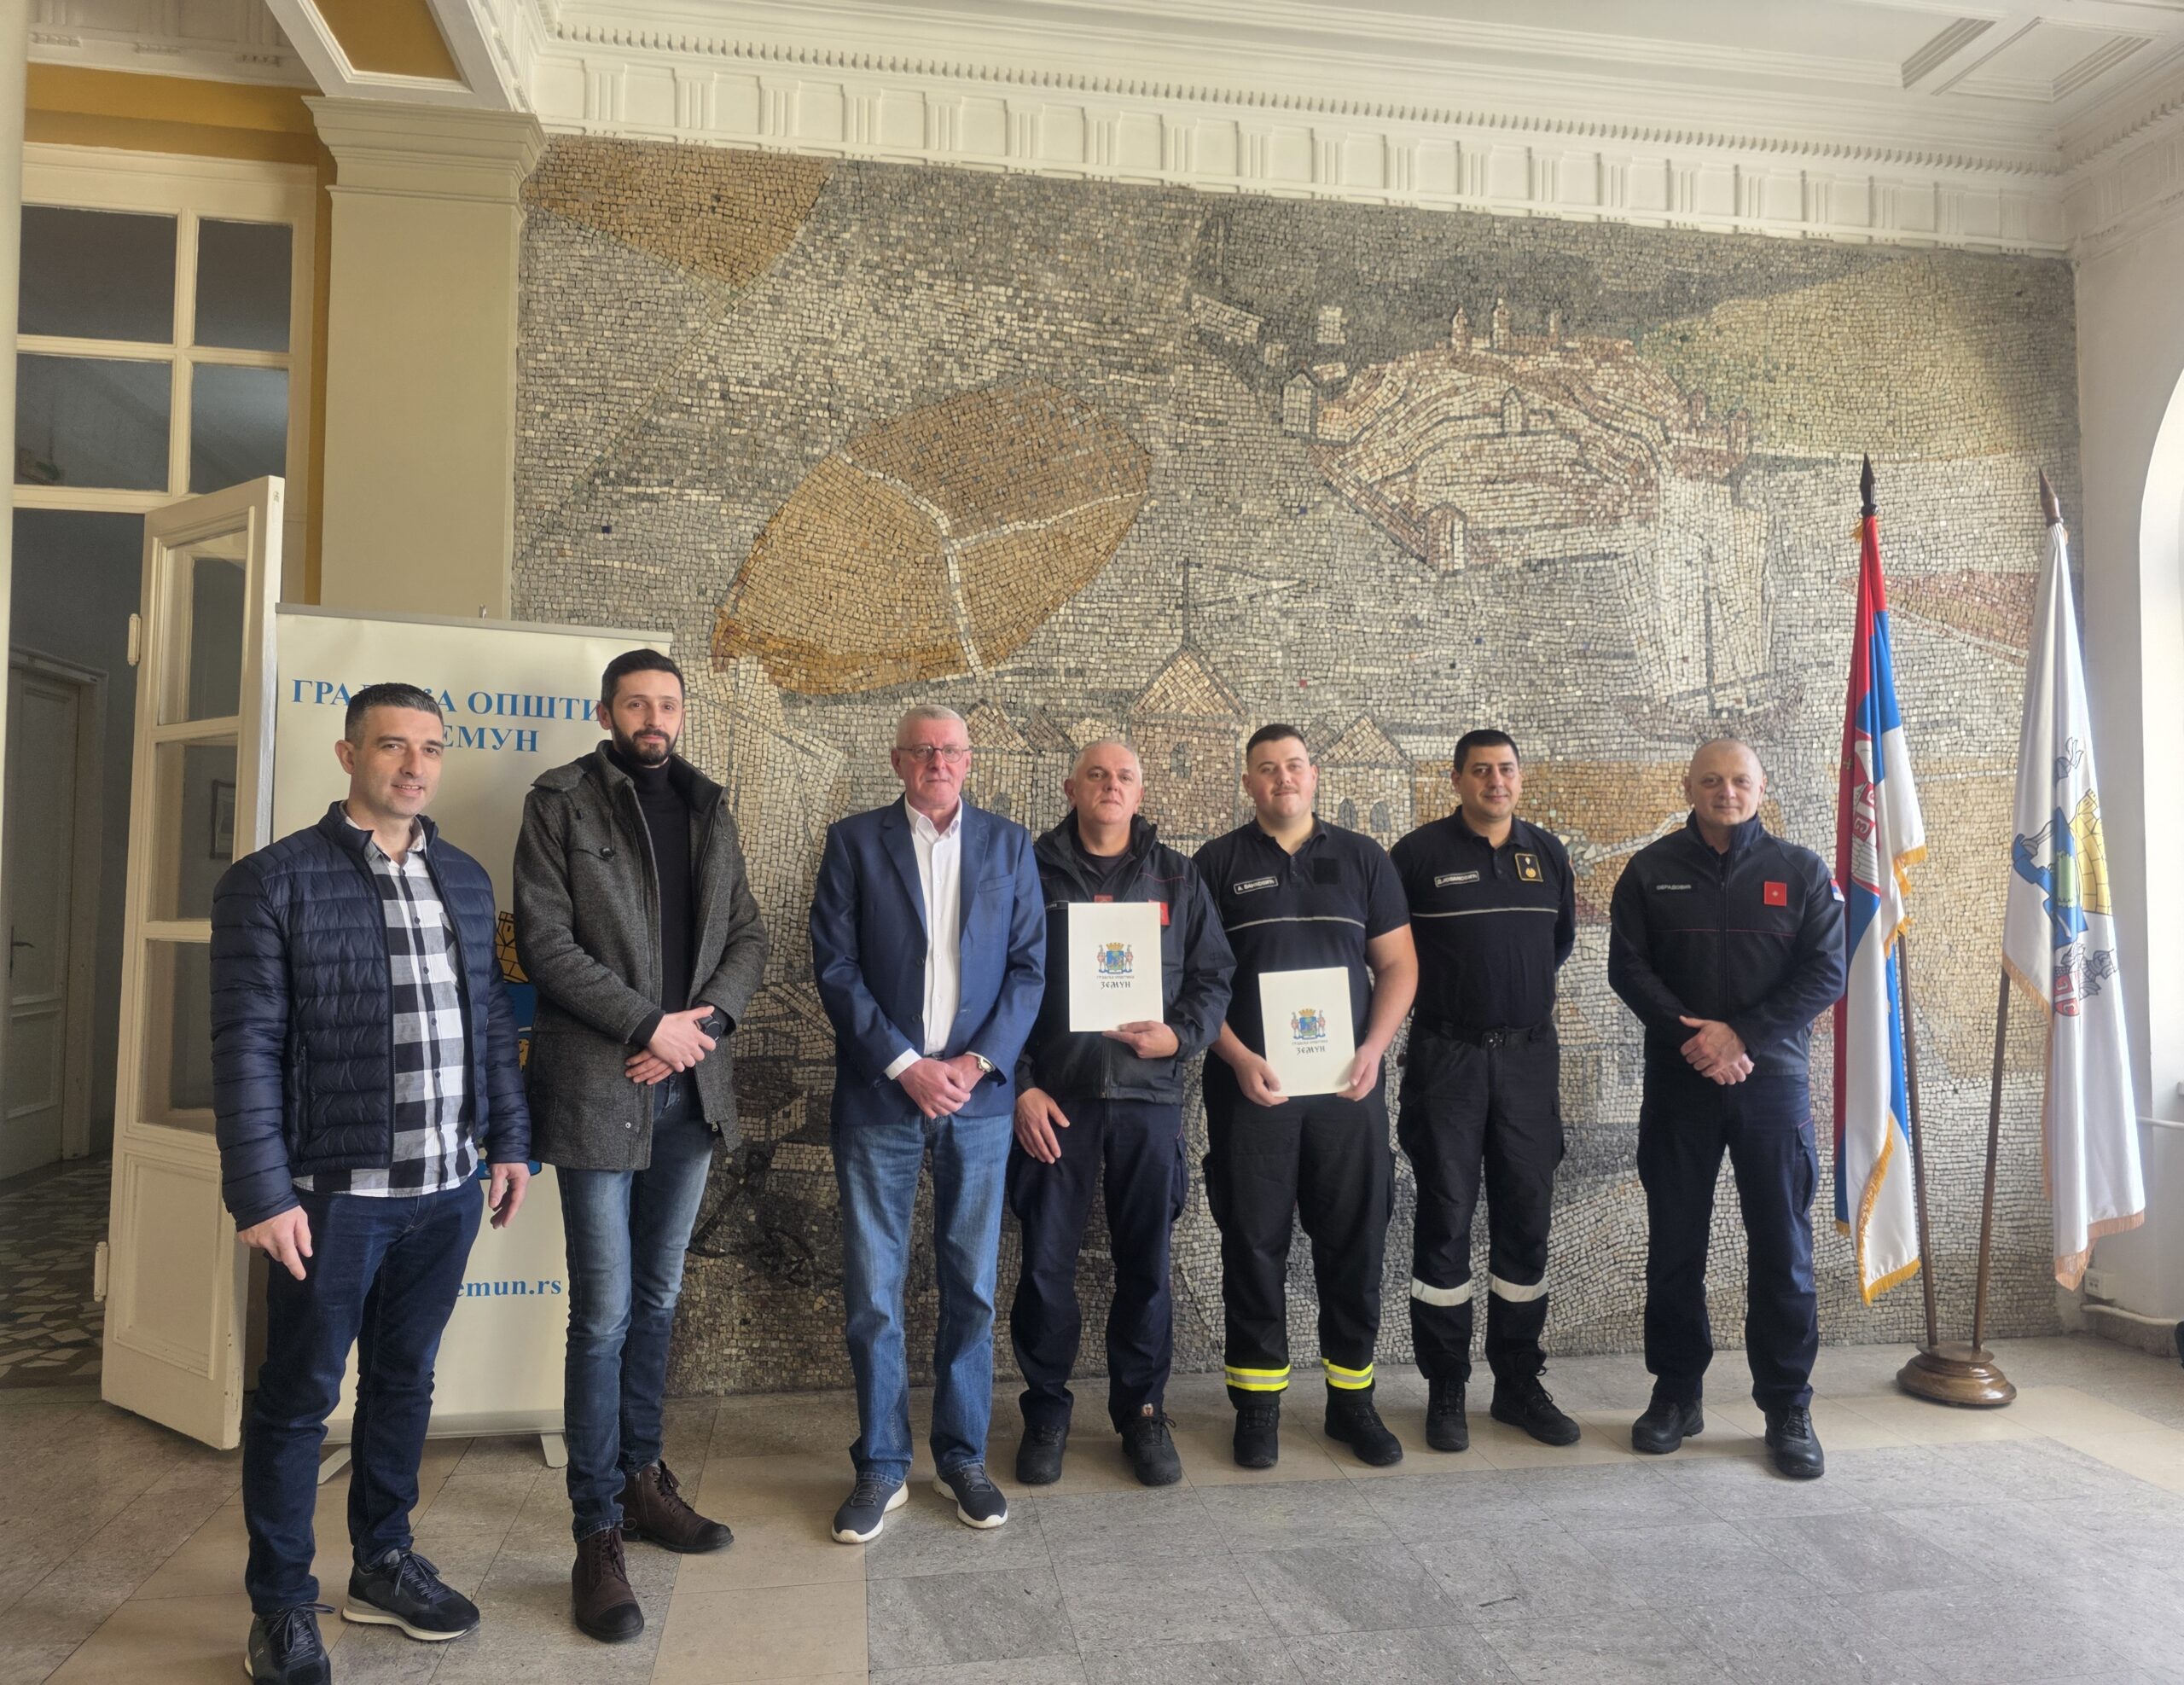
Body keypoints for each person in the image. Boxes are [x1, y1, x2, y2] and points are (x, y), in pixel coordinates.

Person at [211, 682, 531, 1685]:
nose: (414, 764)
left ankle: (383, 1564)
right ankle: (281, 1605)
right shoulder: (272, 881)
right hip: (331, 1196)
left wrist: (508, 1141)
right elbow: (244, 1045)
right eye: (392, 745)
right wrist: (262, 1192)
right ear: (349, 754)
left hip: (444, 1188)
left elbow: (489, 1022)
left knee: (405, 1381)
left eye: (430, 746)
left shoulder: (464, 877)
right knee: (298, 1399)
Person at [514, 648, 769, 1643]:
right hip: (598, 1089)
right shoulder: (560, 801)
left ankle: (643, 1479)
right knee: (604, 1313)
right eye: (635, 703)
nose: (652, 717)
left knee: (658, 1299)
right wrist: (647, 1025)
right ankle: (596, 1531)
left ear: (681, 713)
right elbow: (545, 944)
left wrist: (701, 1028)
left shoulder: (709, 805)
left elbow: (746, 936)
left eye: (667, 703)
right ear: (607, 711)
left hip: (690, 1092)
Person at [809, 705, 1045, 1543]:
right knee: (875, 1291)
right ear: (897, 760)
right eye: (922, 750)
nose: (937, 762)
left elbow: (1028, 968)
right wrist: (905, 1064)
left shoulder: (1010, 846)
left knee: (972, 1288)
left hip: (978, 1103)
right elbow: (835, 965)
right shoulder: (852, 842)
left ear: (969, 760)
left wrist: (976, 1065)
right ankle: (881, 1462)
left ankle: (962, 1455)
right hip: (881, 1097)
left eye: (950, 750)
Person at [1607, 737, 1846, 1480]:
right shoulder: (1649, 870)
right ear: (1688, 786)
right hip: (1680, 1084)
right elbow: (1628, 969)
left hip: (1772, 1086)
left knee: (1784, 1251)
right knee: (1675, 1247)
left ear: (1761, 787)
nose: (1726, 791)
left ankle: (1787, 1406)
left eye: (1740, 780)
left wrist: (1741, 1035)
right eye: (1711, 780)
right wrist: (1699, 1040)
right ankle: (1676, 1394)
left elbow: (1827, 971)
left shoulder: (1802, 871)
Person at [1008, 740, 1234, 1488]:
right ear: (1071, 787)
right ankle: (1046, 1411)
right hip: (1056, 1101)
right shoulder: (1028, 871)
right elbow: (995, 982)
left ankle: (1142, 1412)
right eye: (1097, 774)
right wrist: (1020, 1085)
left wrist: (1181, 1035)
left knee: (1147, 1265)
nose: (1111, 785)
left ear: (1140, 793)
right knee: (1046, 1265)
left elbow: (1213, 977)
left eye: (1124, 776)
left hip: (1149, 1101)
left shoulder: (1179, 875)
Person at [1194, 723, 1418, 1469]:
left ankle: (1352, 1404)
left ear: (1313, 774)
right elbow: (1191, 982)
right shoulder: (1216, 864)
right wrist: (1236, 1056)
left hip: (1348, 1091)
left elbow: (1399, 965)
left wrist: (1374, 1047)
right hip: (1250, 1091)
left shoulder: (1363, 859)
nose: (1282, 777)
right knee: (1253, 1243)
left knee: (1355, 1242)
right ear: (1248, 783)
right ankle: (1257, 1408)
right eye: (1266, 768)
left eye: (1293, 765)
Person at [1391, 729, 1580, 1454]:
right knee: (1445, 1218)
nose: (1495, 781)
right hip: (1448, 1058)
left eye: (1505, 769)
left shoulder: (1548, 854)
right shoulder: (1417, 856)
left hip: (1529, 1060)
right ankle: (1446, 1384)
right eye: (1480, 770)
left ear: (1520, 778)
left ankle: (1517, 1382)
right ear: (1457, 780)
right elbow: (1391, 953)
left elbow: (1555, 944)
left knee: (1526, 1219)